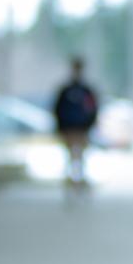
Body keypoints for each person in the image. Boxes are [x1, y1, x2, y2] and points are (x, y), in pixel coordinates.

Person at [53, 57, 99, 193]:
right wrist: (61, 127)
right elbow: (58, 110)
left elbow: (92, 109)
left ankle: (80, 182)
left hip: (82, 128)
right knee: (70, 157)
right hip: (69, 128)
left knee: (81, 158)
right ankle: (71, 183)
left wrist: (89, 126)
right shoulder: (66, 90)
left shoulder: (86, 90)